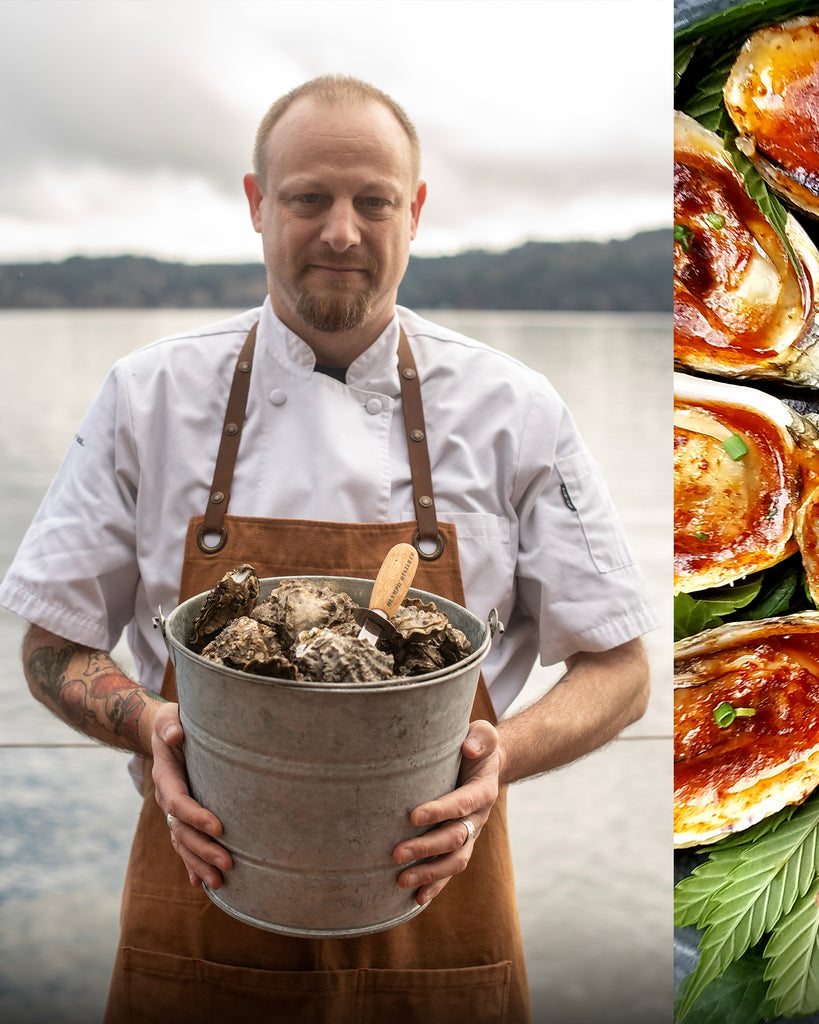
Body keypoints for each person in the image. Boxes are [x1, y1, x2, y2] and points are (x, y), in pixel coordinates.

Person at [0, 75, 657, 1022]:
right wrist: (150, 725)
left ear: (415, 212)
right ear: (258, 206)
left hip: (440, 918)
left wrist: (498, 756)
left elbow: (623, 670)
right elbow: (50, 645)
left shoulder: (515, 409)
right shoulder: (147, 398)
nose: (342, 231)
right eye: (309, 198)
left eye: (374, 201)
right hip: (199, 910)